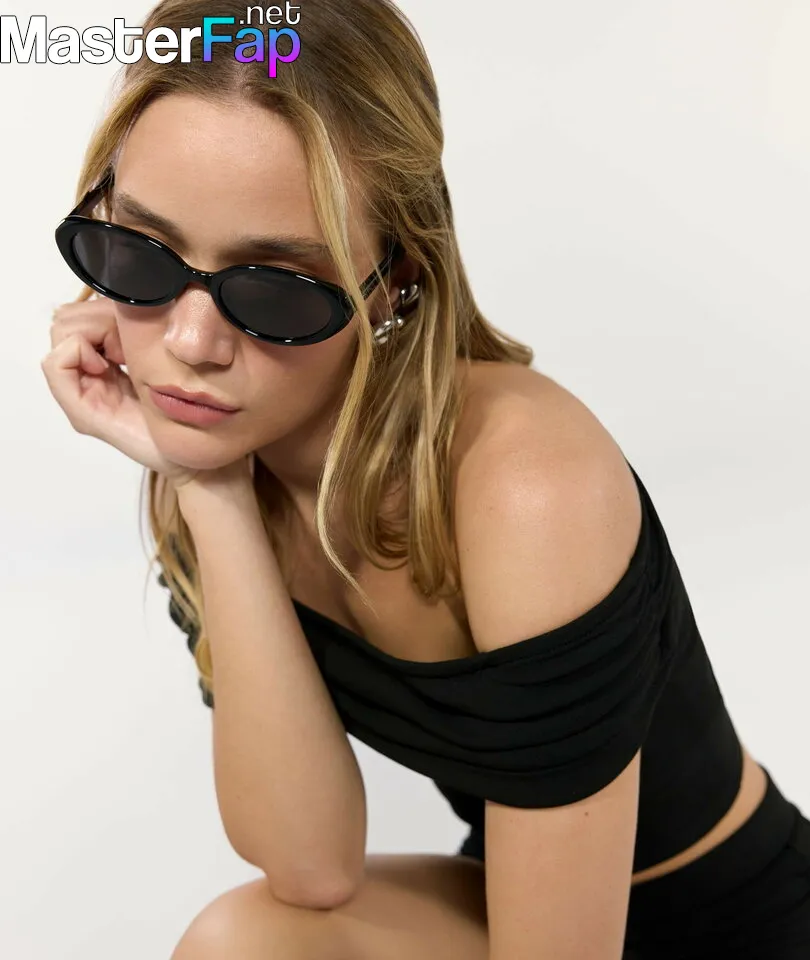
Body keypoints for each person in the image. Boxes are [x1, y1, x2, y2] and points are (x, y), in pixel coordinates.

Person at [42, 1, 810, 957]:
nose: (190, 343)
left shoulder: (524, 482)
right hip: (511, 898)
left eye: (275, 286)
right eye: (141, 256)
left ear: (396, 280)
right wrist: (211, 491)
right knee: (240, 942)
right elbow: (311, 867)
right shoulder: (211, 446)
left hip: (736, 928)